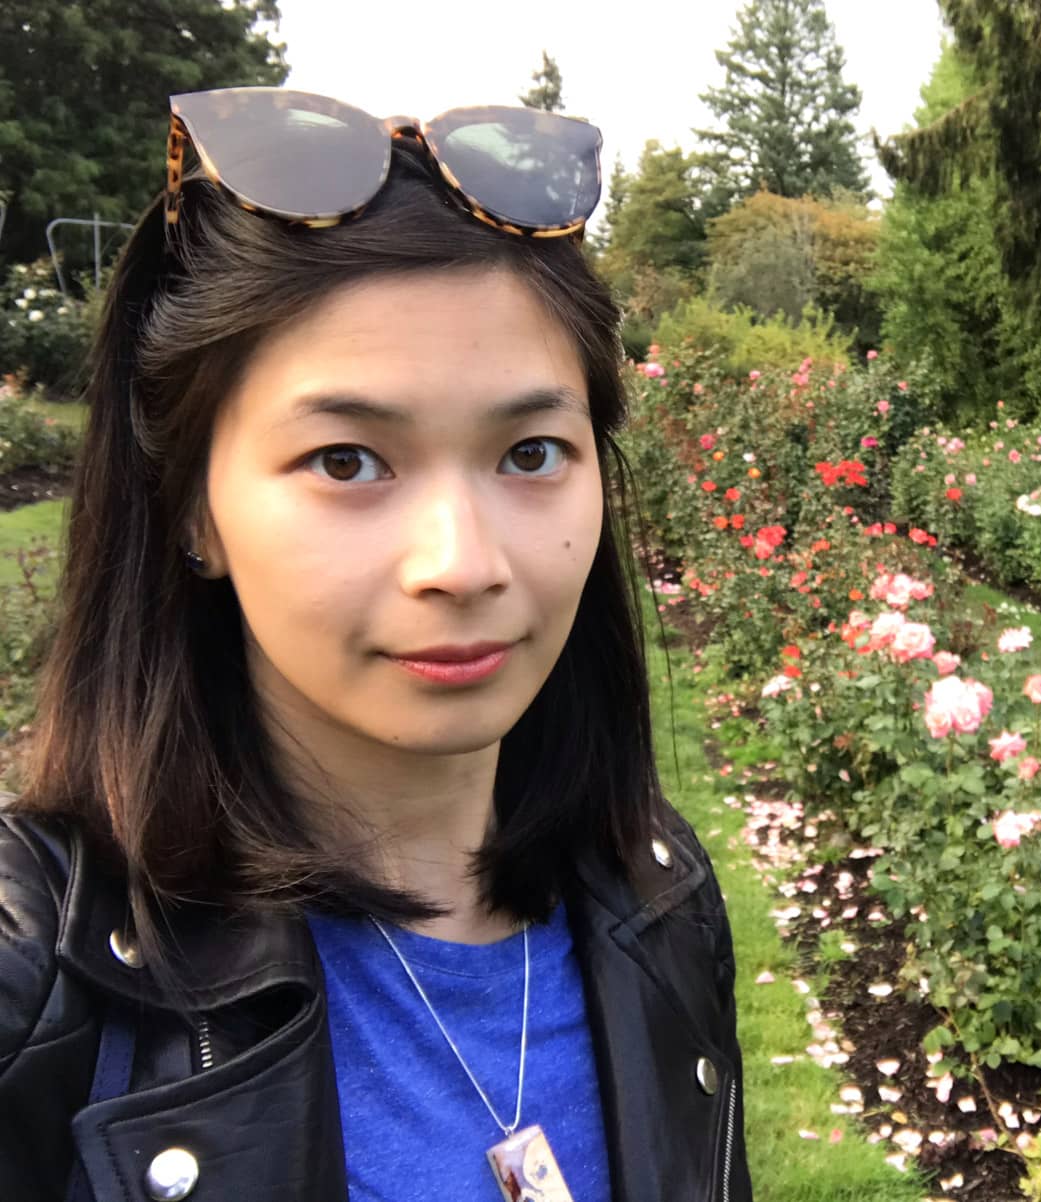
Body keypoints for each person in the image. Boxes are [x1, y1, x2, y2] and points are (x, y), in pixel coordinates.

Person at [0, 88, 751, 1202]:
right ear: (192, 507)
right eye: (348, 460)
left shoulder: (656, 898)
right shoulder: (36, 981)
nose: (462, 561)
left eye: (532, 451)